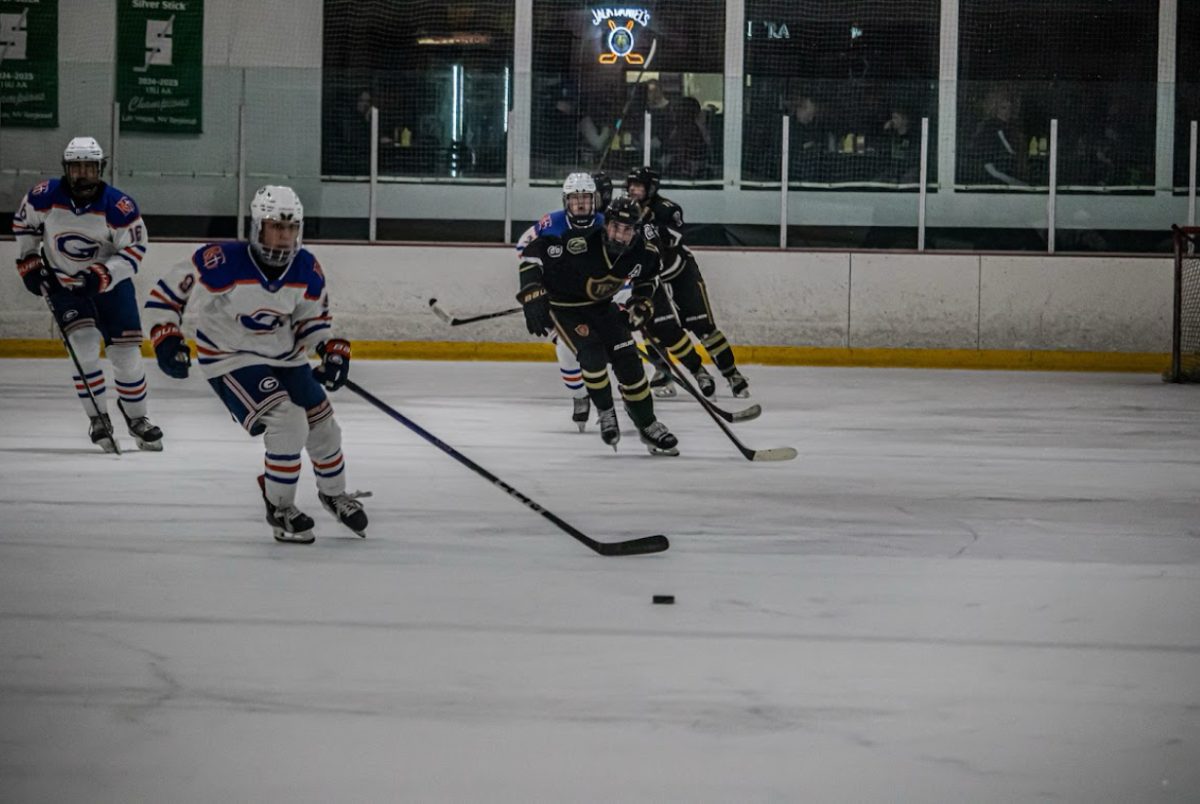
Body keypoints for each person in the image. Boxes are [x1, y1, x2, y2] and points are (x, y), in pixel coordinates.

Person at [144, 186, 369, 544]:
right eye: (275, 227)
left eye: (290, 228)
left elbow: (312, 321)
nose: (283, 236)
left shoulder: (307, 267)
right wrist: (166, 334)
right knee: (287, 419)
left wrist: (329, 349)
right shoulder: (221, 259)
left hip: (284, 356)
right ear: (256, 227)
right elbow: (169, 292)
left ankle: (334, 493)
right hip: (229, 357)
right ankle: (280, 507)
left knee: (323, 423)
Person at [11, 136, 162, 453]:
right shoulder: (44, 196)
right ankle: (98, 418)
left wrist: (103, 275)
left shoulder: (119, 206)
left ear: (100, 168)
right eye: (77, 167)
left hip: (112, 288)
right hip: (65, 286)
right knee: (83, 346)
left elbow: (134, 251)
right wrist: (29, 260)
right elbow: (25, 225)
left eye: (89, 167)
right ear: (66, 168)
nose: (83, 173)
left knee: (127, 357)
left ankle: (137, 419)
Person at [517, 196, 679, 456]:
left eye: (627, 230)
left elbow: (647, 279)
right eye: (615, 227)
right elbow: (533, 253)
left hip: (603, 308)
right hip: (566, 310)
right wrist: (531, 291)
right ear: (606, 225)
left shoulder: (643, 252)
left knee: (629, 363)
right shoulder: (579, 242)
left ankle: (648, 423)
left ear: (635, 230)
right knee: (591, 355)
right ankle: (605, 411)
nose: (619, 235)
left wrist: (641, 303)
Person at [625, 166, 751, 398]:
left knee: (702, 325)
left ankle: (731, 373)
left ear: (651, 188)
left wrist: (648, 227)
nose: (633, 191)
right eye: (631, 186)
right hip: (651, 278)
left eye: (639, 187)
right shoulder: (623, 210)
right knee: (655, 327)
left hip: (680, 272)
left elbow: (674, 237)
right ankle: (666, 372)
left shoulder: (667, 209)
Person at [514, 172, 609, 431]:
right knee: (566, 352)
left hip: (600, 303)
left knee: (621, 354)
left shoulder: (606, 225)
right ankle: (580, 396)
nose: (580, 204)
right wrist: (537, 288)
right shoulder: (551, 224)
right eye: (575, 198)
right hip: (565, 305)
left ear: (595, 200)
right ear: (566, 200)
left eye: (586, 199)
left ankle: (623, 403)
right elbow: (524, 249)